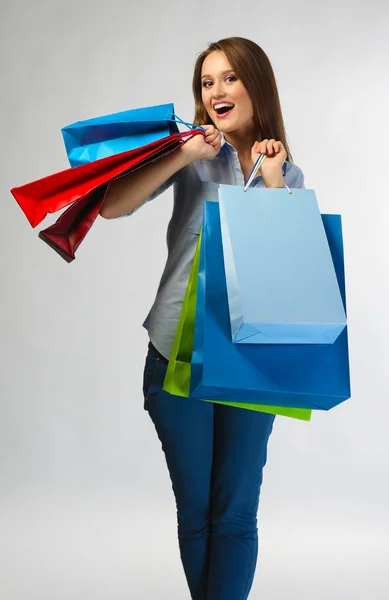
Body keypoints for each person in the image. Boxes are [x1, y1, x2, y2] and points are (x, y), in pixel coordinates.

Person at [99, 36, 305, 600]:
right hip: (175, 352)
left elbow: (288, 267)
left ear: (255, 85)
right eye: (207, 81)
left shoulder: (285, 170)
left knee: (236, 511)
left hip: (250, 358)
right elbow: (112, 205)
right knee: (196, 511)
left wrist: (270, 177)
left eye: (230, 78)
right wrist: (186, 155)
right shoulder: (188, 153)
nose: (216, 90)